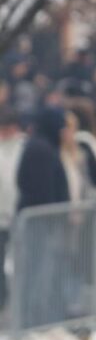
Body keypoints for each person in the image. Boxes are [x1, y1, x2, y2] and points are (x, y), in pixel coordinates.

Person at [0, 108, 24, 310]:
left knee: (23, 261)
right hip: (0, 217)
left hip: (22, 216)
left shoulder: (24, 147)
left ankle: (19, 304)